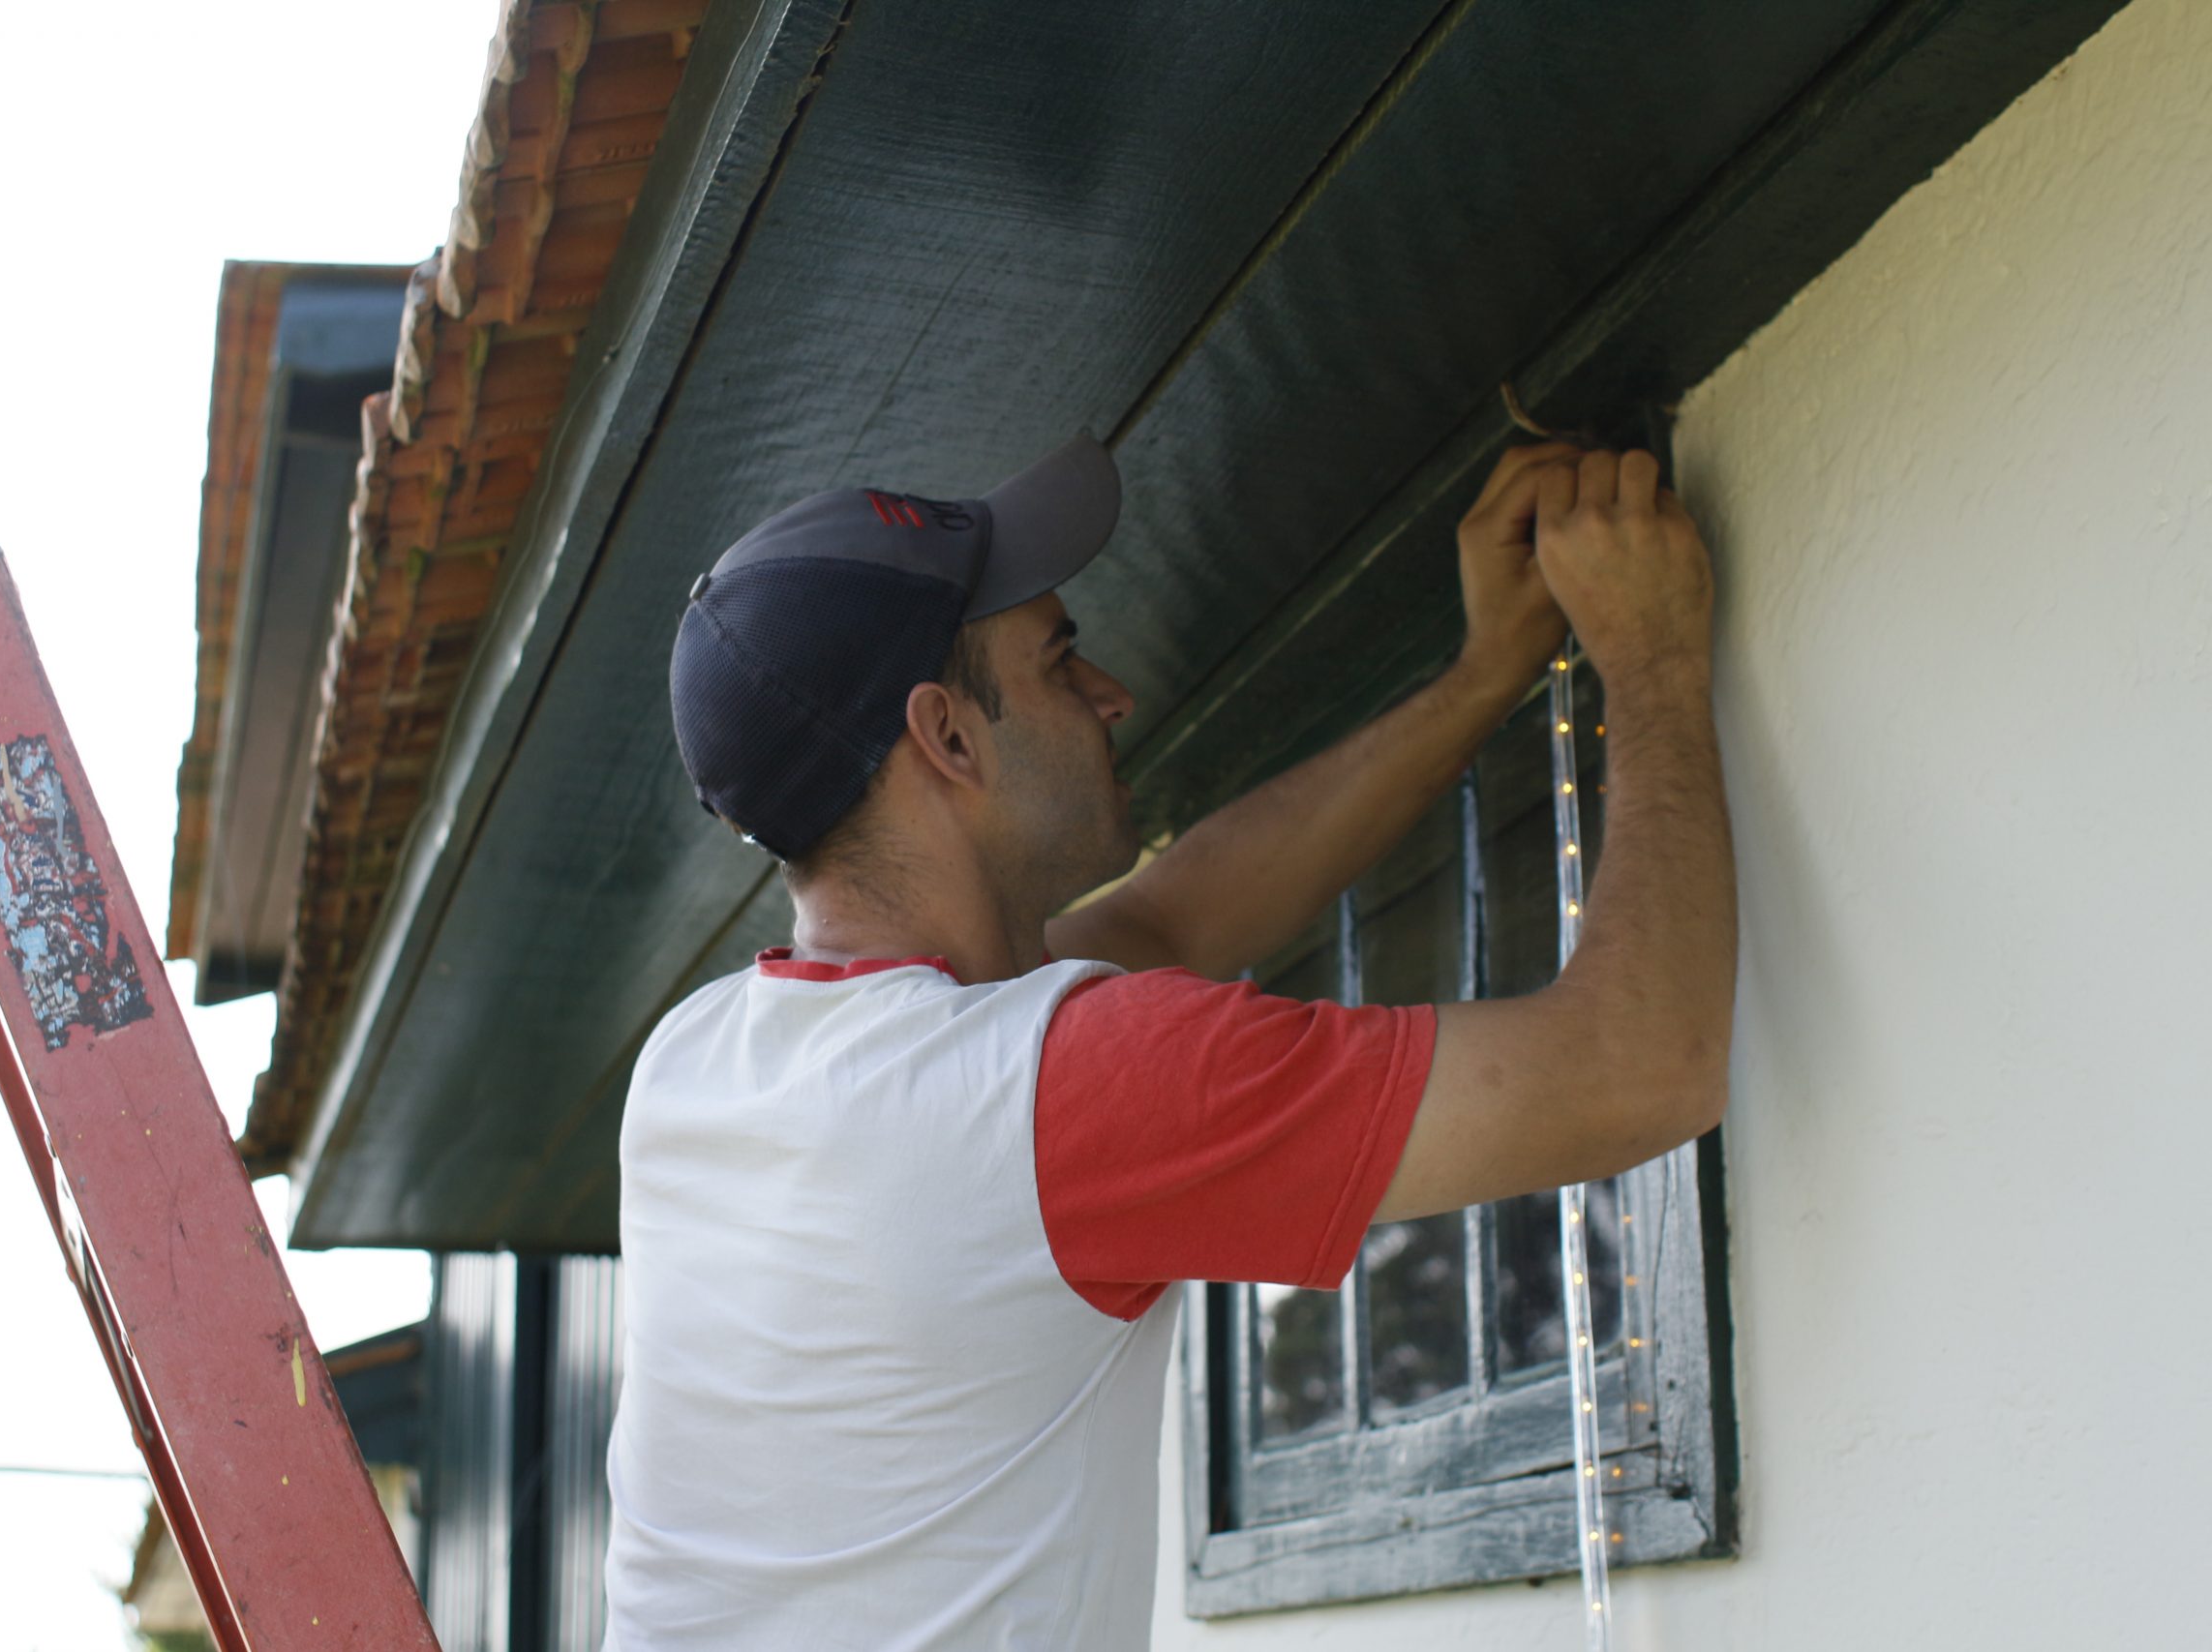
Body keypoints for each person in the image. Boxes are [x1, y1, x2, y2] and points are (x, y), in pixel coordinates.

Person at [605, 433, 1735, 1649]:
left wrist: (1481, 674)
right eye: (1059, 659)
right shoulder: (1053, 1091)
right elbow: (1640, 1068)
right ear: (947, 739)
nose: (1111, 697)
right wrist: (1652, 656)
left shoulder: (702, 1063)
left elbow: (1169, 915)